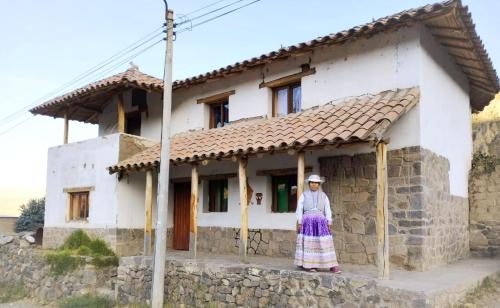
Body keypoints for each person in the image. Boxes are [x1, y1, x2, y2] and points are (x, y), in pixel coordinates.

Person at [294, 174, 341, 273]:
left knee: (325, 242)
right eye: (312, 183)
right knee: (310, 243)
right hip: (307, 223)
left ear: (319, 184)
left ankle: (332, 265)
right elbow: (299, 208)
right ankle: (311, 265)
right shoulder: (304, 195)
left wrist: (329, 221)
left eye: (316, 183)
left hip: (321, 222)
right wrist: (299, 221)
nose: (314, 185)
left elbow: (327, 208)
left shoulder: (324, 196)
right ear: (309, 184)